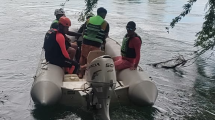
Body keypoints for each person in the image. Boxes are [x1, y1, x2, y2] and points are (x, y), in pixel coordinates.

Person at [78, 7, 110, 78]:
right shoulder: (105, 23)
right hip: (96, 44)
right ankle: (91, 74)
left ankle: (80, 73)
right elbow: (105, 35)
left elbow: (84, 31)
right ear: (104, 15)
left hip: (85, 42)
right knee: (94, 60)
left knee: (83, 57)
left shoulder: (89, 19)